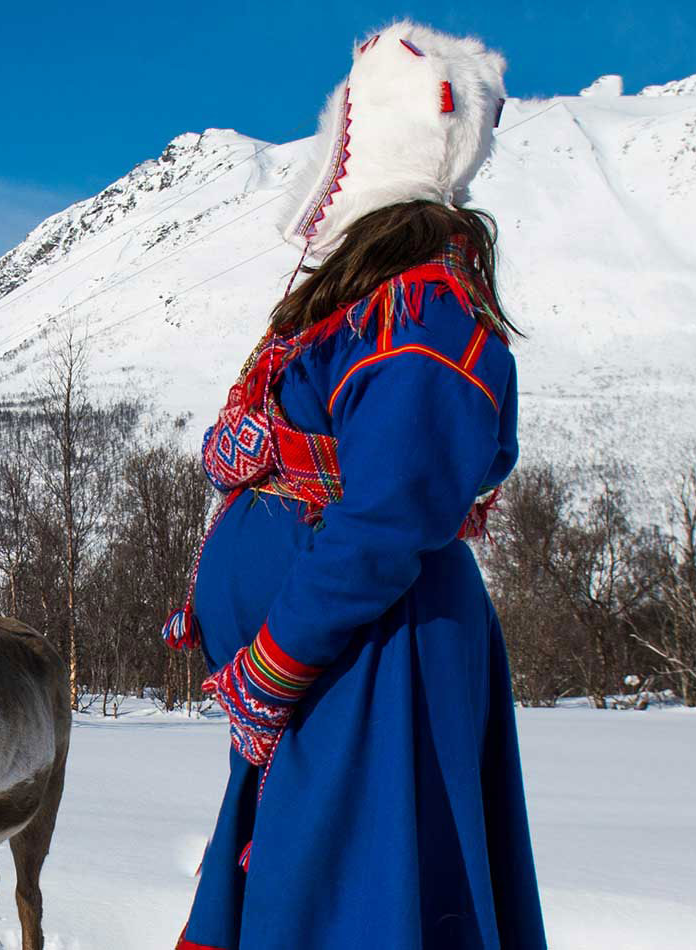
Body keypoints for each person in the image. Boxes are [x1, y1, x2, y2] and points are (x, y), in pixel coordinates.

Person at [162, 21, 549, 950]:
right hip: (345, 656)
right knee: (311, 889)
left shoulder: (422, 310)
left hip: (377, 655)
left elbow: (387, 519)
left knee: (356, 904)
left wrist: (272, 662)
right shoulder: (370, 300)